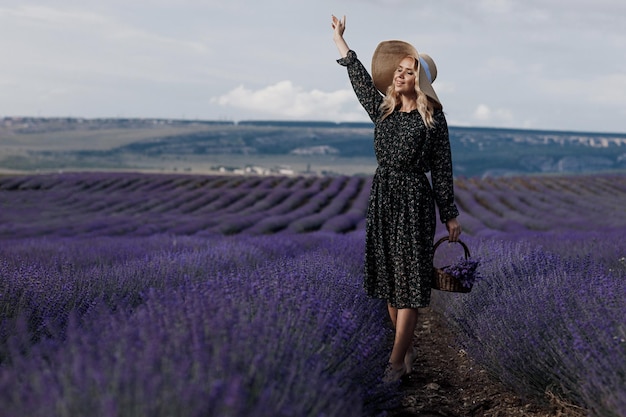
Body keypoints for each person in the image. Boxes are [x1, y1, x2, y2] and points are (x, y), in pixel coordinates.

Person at [331, 15, 462, 382]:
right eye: (399, 70)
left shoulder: (433, 119)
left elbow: (443, 168)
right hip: (383, 197)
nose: (399, 75)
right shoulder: (383, 111)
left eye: (407, 71)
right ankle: (405, 348)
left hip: (414, 201)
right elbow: (357, 78)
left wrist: (449, 214)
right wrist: (340, 40)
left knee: (409, 285)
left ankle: (394, 364)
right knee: (391, 284)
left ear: (419, 80)